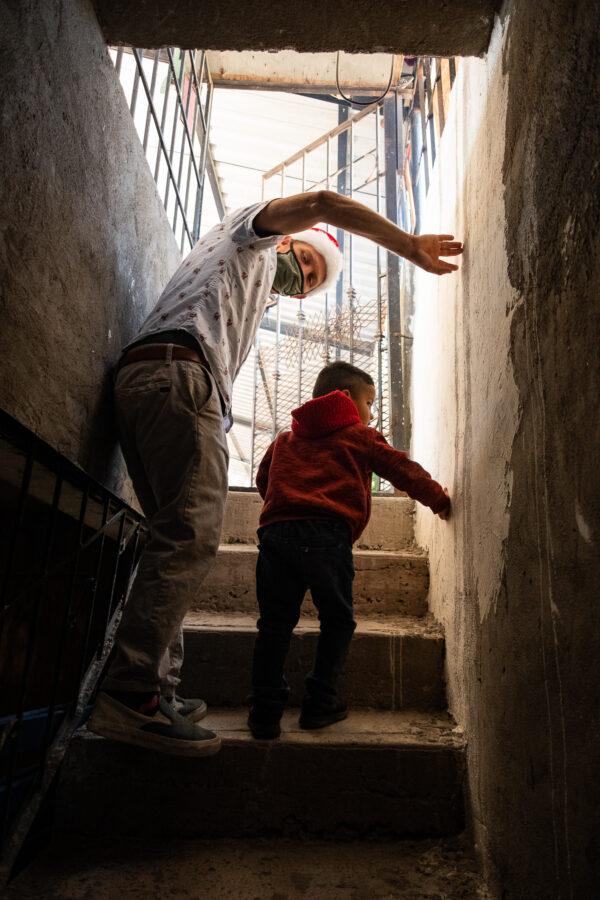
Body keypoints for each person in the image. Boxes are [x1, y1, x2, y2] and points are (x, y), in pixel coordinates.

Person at [88, 190, 463, 757]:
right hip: (180, 375)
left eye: (310, 282)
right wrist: (408, 245)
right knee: (192, 536)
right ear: (288, 239)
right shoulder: (253, 235)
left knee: (170, 537)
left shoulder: (249, 296)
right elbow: (325, 201)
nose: (303, 277)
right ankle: (130, 691)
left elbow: (267, 473)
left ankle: (158, 687)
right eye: (308, 262)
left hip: (143, 377)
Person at [248, 361, 451, 740]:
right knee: (337, 621)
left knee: (274, 624)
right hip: (327, 534)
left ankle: (264, 712)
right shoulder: (360, 436)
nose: (371, 412)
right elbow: (401, 469)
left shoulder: (285, 440)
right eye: (369, 401)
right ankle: (320, 701)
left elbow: (264, 479)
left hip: (276, 534)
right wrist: (438, 499)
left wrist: (285, 511)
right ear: (346, 398)